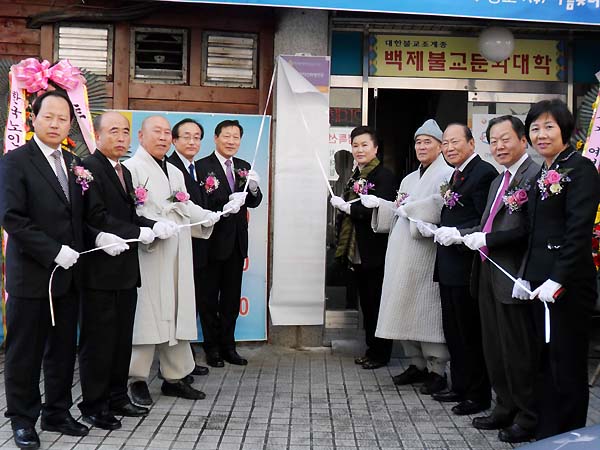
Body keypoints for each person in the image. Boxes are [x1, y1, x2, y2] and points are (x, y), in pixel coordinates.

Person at [0, 91, 123, 448]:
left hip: (70, 277)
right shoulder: (15, 161)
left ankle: (57, 411)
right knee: (25, 352)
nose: (56, 124)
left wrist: (98, 236)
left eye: (63, 118)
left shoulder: (73, 163)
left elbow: (81, 217)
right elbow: (12, 218)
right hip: (32, 277)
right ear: (33, 119)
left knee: (63, 348)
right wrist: (53, 251)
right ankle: (22, 419)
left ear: (71, 123)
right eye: (49, 117)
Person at [512, 99, 600, 439]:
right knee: (543, 359)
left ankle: (568, 436)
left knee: (567, 363)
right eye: (535, 128)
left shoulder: (580, 169)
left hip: (568, 284)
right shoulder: (541, 173)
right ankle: (547, 432)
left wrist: (557, 278)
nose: (541, 134)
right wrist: (525, 273)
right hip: (539, 282)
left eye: (549, 126)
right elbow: (534, 232)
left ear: (565, 129)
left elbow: (578, 229)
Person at [124, 115, 220, 406]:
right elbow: (129, 212)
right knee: (147, 314)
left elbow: (185, 204)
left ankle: (175, 377)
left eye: (167, 132)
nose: (163, 137)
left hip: (177, 250)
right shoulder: (130, 169)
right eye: (157, 132)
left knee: (178, 310)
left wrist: (209, 216)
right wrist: (153, 226)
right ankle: (136, 378)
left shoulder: (176, 171)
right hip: (149, 252)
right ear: (141, 136)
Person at [77, 112, 164, 430]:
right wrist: (135, 232)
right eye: (113, 131)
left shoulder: (123, 170)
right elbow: (96, 216)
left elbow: (131, 214)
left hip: (126, 270)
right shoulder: (87, 168)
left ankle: (116, 396)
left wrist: (154, 225)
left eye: (125, 132)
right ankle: (93, 405)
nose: (121, 137)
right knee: (98, 341)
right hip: (100, 271)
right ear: (97, 135)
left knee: (120, 340)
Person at [459, 116, 540, 443]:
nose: (499, 146)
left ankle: (528, 414)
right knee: (494, 347)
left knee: (517, 350)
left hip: (514, 277)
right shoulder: (498, 181)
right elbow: (487, 225)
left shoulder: (534, 176)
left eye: (505, 139)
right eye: (493, 141)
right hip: (487, 274)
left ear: (523, 139)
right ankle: (503, 405)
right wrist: (464, 235)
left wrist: (488, 241)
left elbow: (528, 231)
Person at [360, 119, 452, 392]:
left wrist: (409, 208)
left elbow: (439, 206)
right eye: (418, 142)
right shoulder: (409, 178)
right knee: (404, 307)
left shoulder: (446, 174)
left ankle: (437, 369)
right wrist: (381, 206)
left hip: (425, 254)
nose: (422, 146)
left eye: (428, 142)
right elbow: (399, 209)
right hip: (401, 252)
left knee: (427, 311)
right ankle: (416, 363)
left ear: (440, 145)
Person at [418, 123, 497, 415]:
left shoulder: (483, 173)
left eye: (455, 142)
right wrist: (436, 228)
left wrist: (457, 235)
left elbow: (483, 220)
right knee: (453, 331)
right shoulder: (457, 173)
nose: (450, 148)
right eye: (446, 143)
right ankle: (460, 386)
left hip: (467, 268)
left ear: (472, 143)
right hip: (448, 265)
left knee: (469, 332)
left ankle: (478, 395)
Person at [195, 119, 262, 367]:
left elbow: (254, 202)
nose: (231, 141)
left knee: (231, 300)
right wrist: (224, 203)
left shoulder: (244, 166)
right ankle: (211, 348)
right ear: (216, 138)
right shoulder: (201, 167)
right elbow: (199, 202)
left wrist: (253, 189)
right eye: (227, 136)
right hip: (211, 243)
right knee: (209, 298)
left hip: (236, 244)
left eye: (236, 137)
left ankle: (229, 346)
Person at [330, 126, 397, 369]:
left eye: (364, 145)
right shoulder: (355, 176)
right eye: (355, 145)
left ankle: (380, 353)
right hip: (357, 252)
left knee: (376, 303)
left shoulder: (384, 176)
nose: (359, 150)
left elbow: (380, 211)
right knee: (366, 304)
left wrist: (348, 208)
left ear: (375, 148)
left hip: (374, 252)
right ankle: (372, 349)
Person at [167, 118, 212, 377]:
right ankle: (177, 362)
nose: (192, 141)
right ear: (174, 140)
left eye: (196, 137)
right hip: (178, 246)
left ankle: (186, 358)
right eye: (186, 136)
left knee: (192, 301)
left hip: (199, 245)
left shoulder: (198, 168)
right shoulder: (171, 168)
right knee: (179, 303)